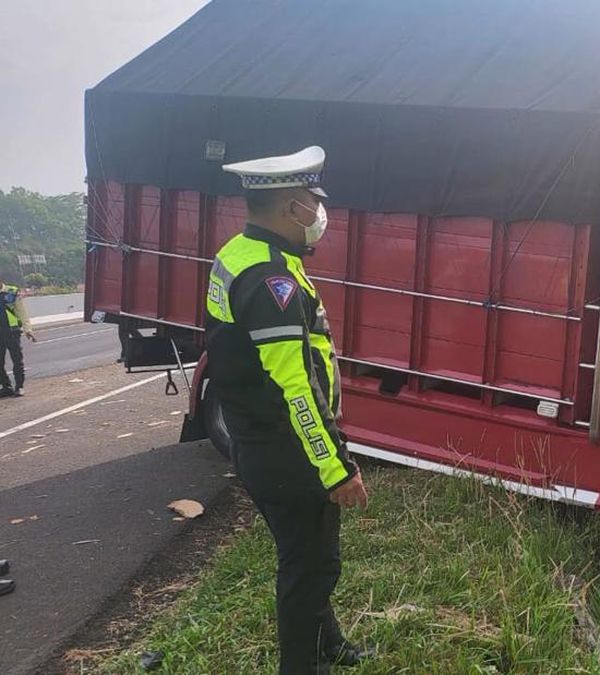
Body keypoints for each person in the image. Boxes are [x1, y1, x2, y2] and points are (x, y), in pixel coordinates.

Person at [206, 146, 371, 674]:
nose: (320, 214)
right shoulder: (269, 279)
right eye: (313, 202)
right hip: (287, 450)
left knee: (306, 557)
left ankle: (330, 644)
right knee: (311, 567)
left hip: (261, 441)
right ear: (292, 208)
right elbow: (294, 388)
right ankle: (303, 666)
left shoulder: (240, 253)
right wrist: (336, 466)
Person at [0, 280, 36, 397]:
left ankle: (19, 387)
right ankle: (6, 386)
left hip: (12, 331)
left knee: (17, 360)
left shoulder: (12, 292)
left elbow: (22, 312)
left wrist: (28, 329)